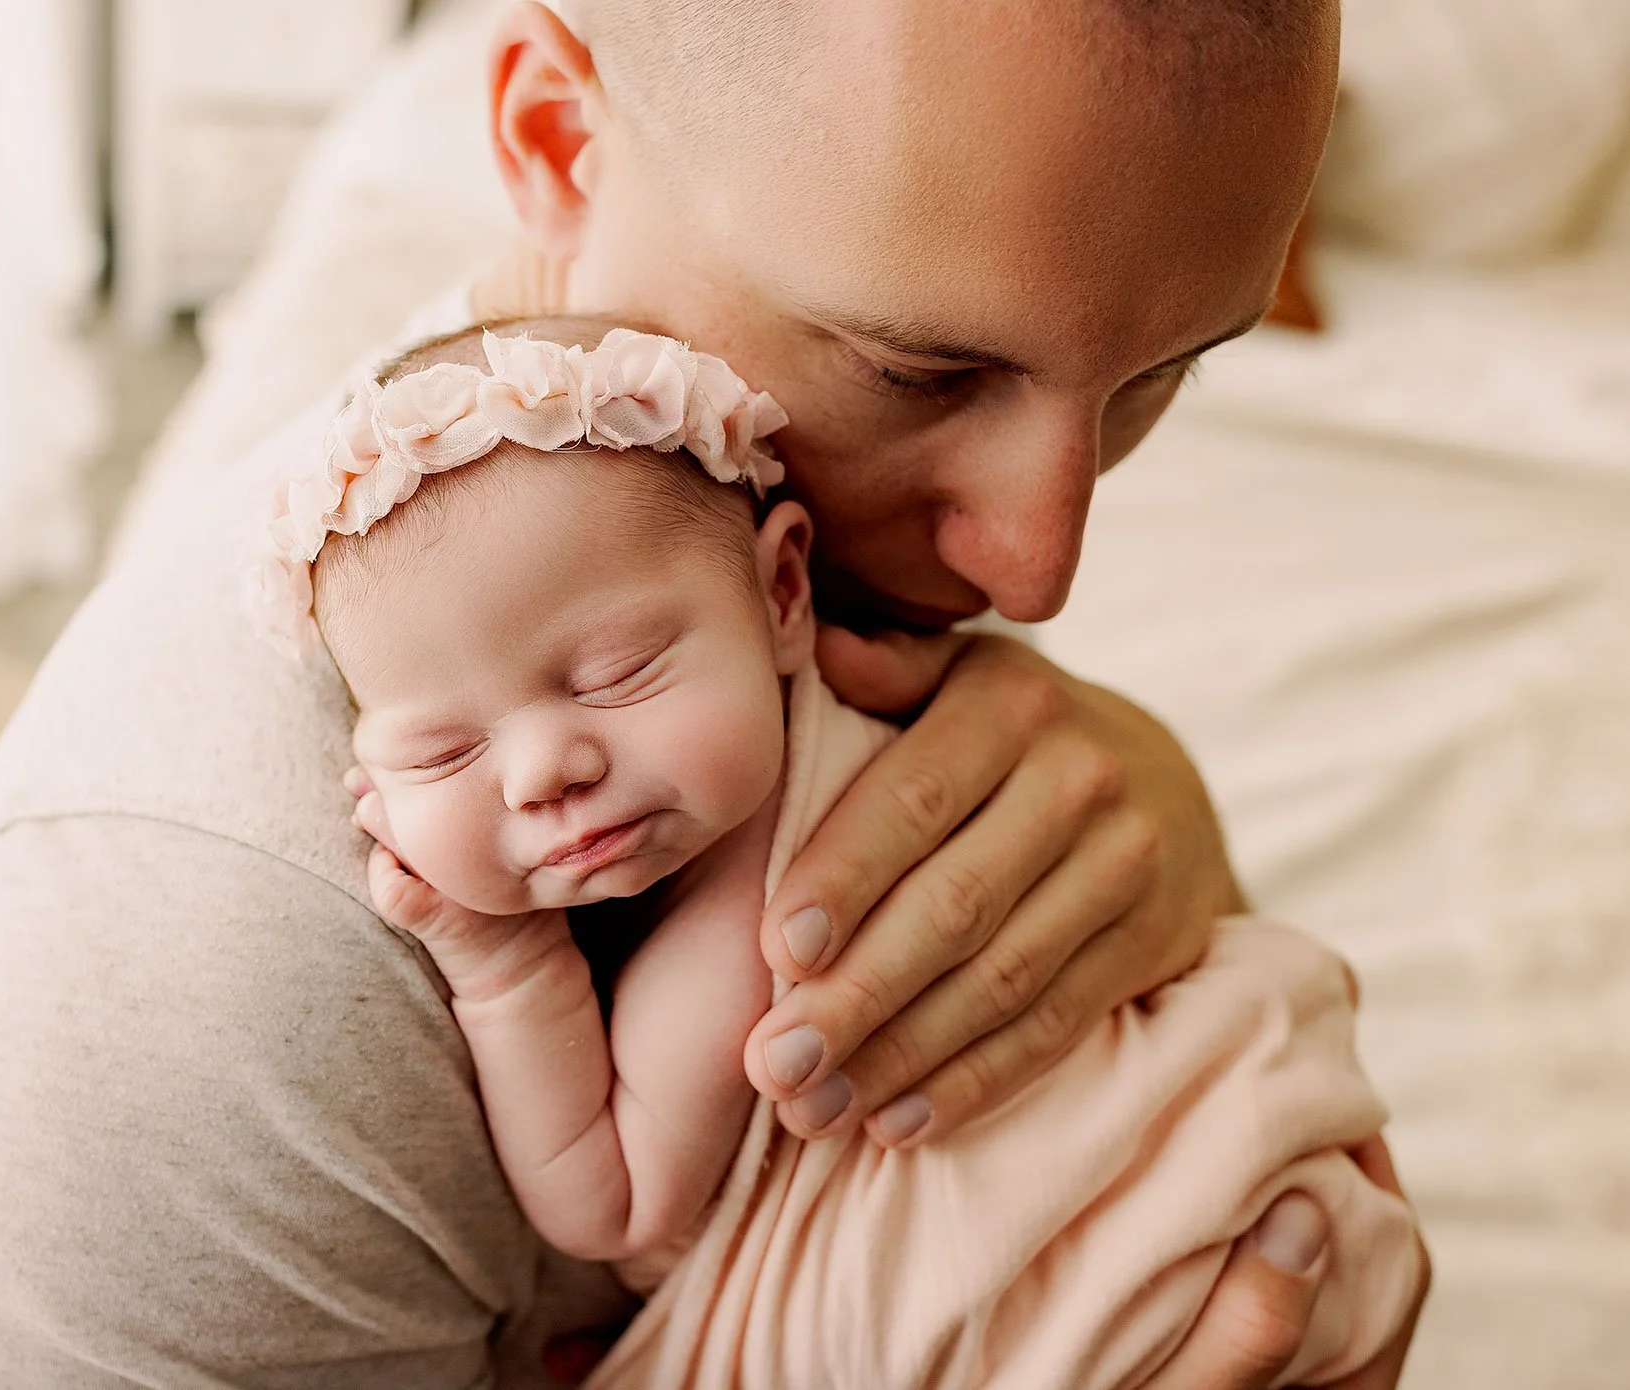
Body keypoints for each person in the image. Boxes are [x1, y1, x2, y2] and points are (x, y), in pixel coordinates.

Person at [0, 1, 1429, 1386]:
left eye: (1157, 378)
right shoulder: (195, 960)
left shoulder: (810, 598)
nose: (1032, 571)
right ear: (557, 144)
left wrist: (1163, 847)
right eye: (917, 373)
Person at [285, 316, 1420, 1388]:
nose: (542, 772)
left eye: (616, 673)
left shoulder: (756, 913)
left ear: (782, 593)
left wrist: (506, 966)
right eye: (439, 755)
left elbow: (615, 1204)